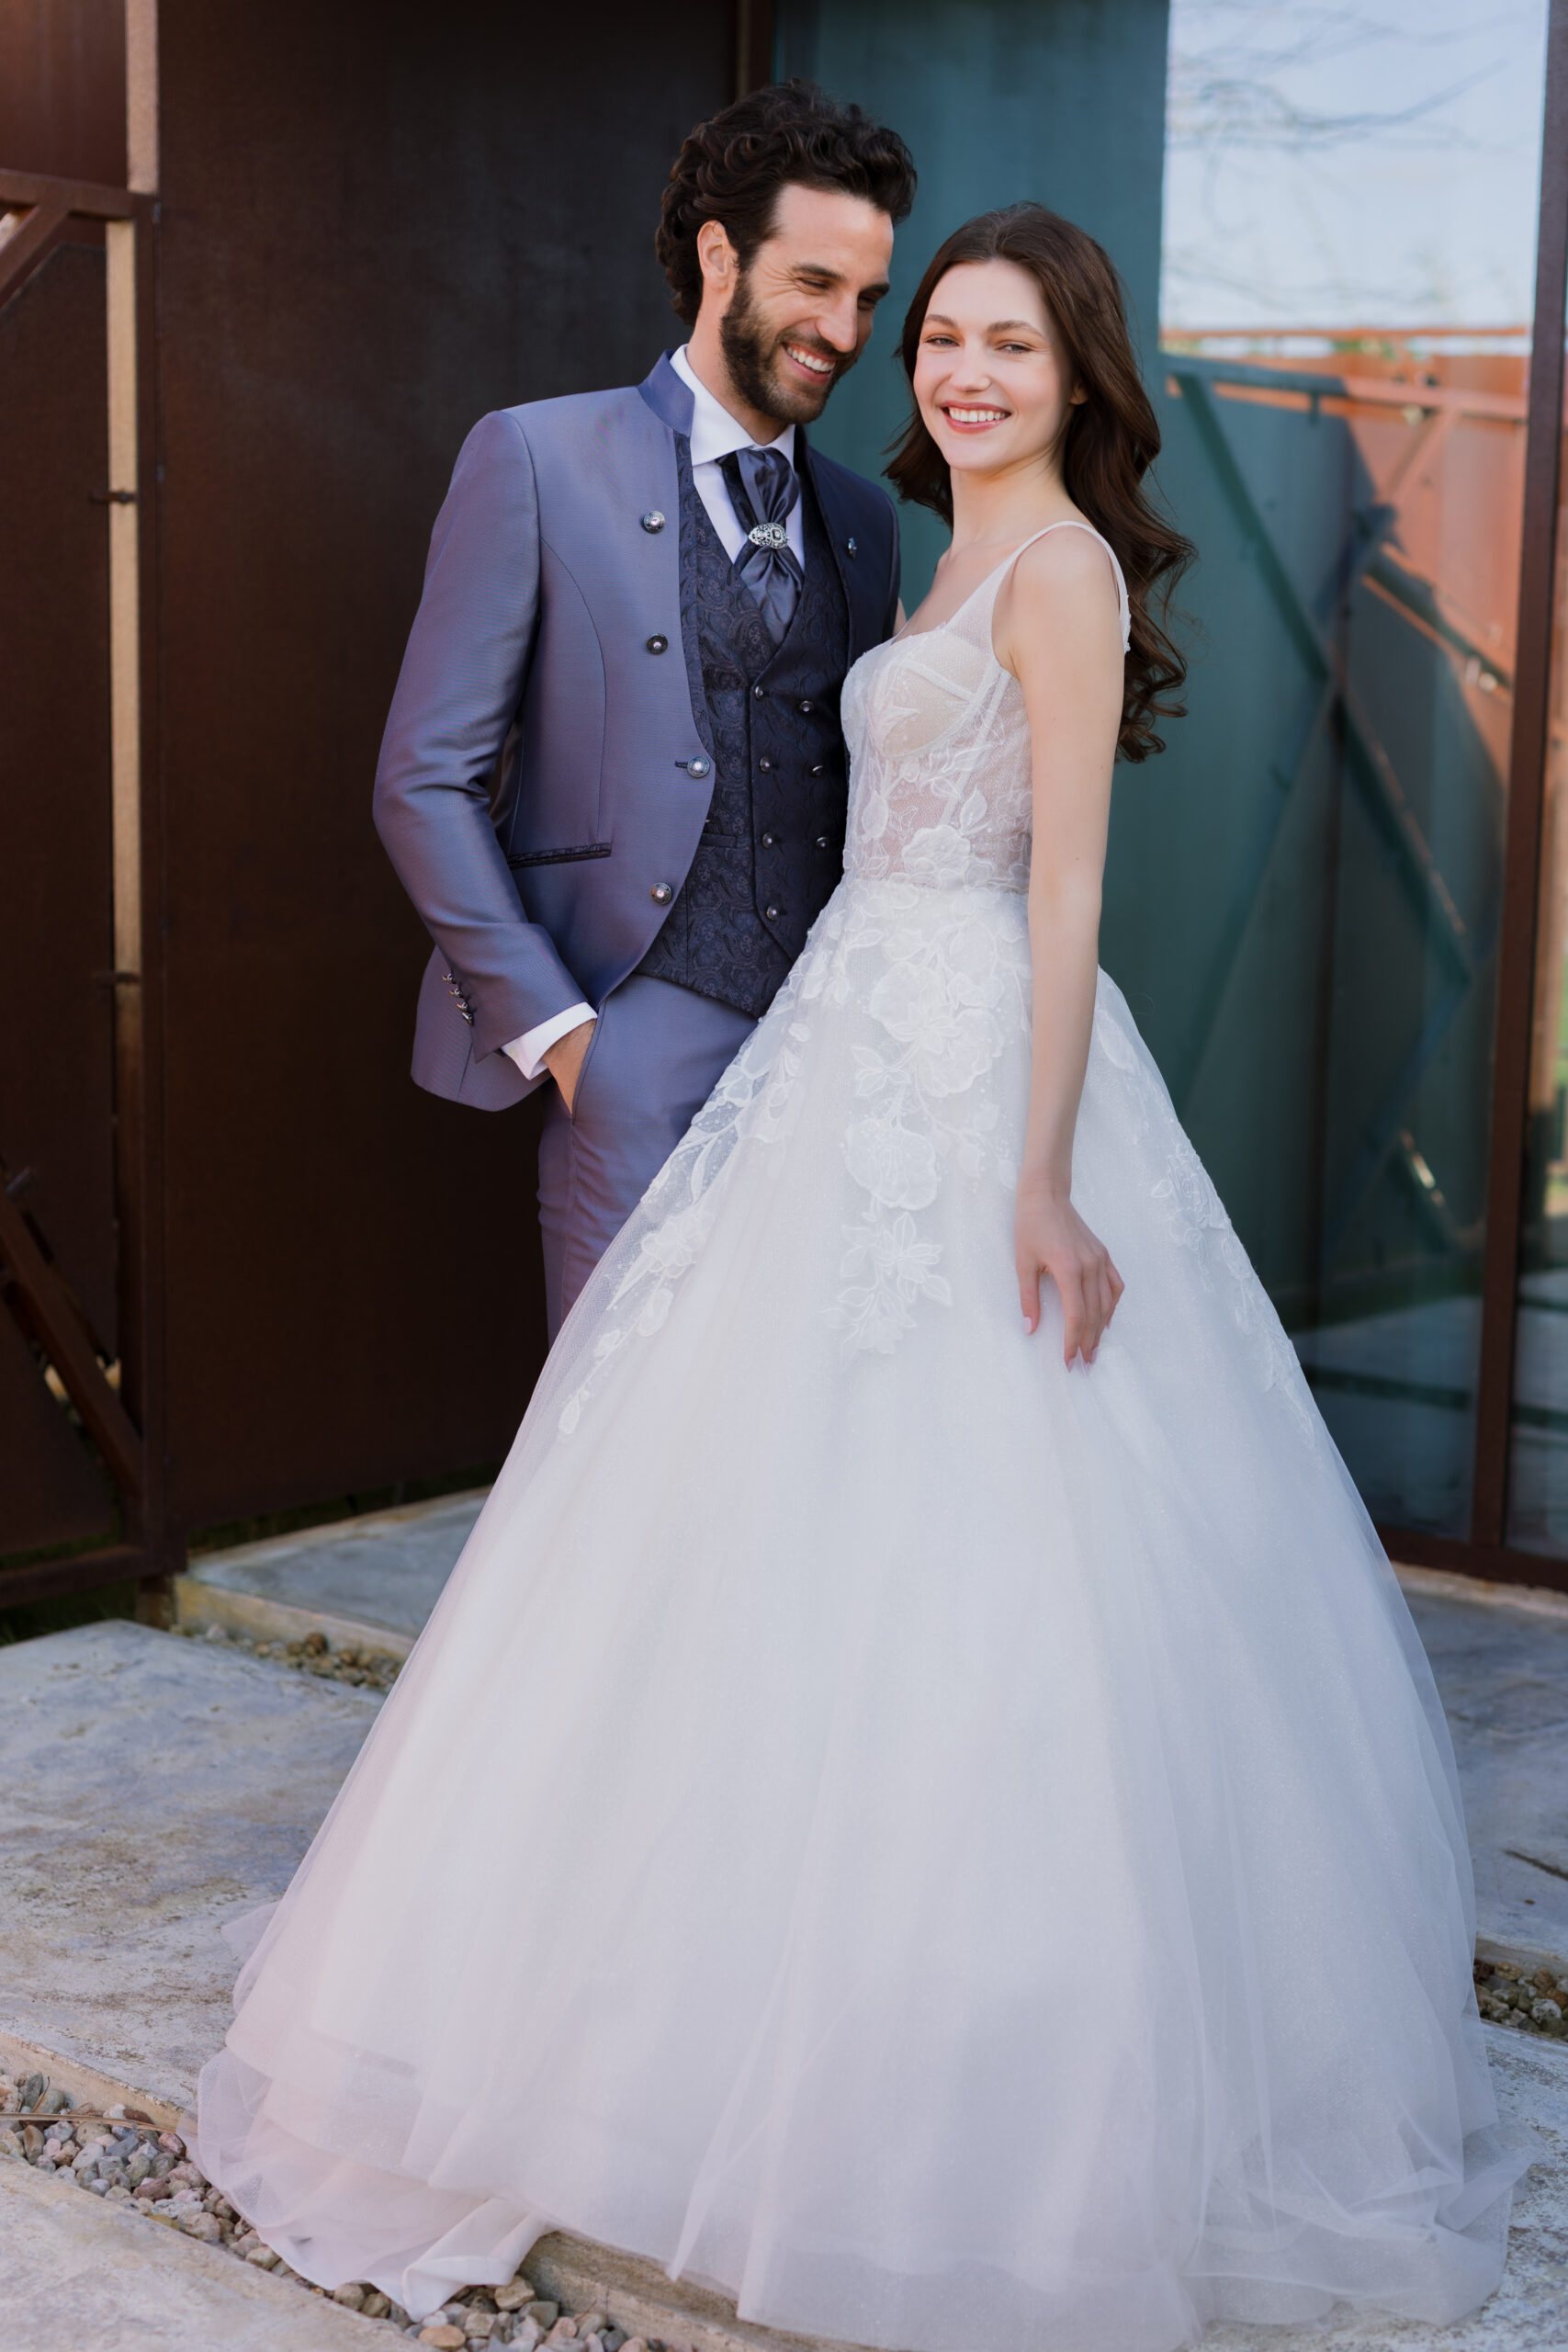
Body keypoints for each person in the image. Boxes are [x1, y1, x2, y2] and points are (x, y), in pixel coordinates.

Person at [196, 204, 1532, 2347]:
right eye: (940, 338)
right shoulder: (917, 548)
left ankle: (956, 2090)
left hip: (974, 1055)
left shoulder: (1064, 571)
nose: (960, 371)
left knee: (990, 1529)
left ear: (1080, 378)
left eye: (1009, 343)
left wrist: (1042, 1176)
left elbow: (1066, 889)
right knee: (748, 1509)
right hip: (839, 1038)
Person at [373, 81, 915, 1337]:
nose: (843, 329)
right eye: (816, 282)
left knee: (812, 1403)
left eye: (868, 299)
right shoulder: (536, 457)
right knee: (622, 1417)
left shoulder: (867, 519)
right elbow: (423, 780)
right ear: (720, 256)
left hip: (825, 1058)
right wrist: (564, 1036)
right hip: (629, 1043)